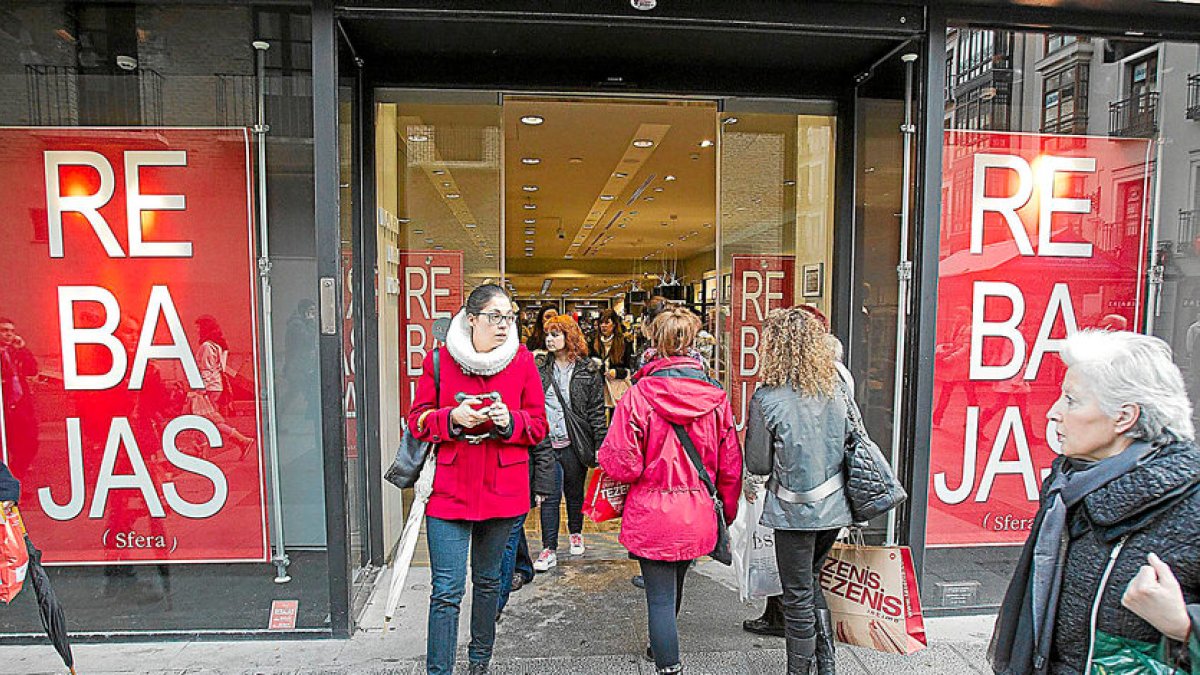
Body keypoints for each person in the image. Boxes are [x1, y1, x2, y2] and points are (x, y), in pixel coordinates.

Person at [989, 330, 1200, 675]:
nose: (1053, 413)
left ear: (1124, 417)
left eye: (1072, 400)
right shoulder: (1068, 486)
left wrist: (1184, 625)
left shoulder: (1189, 504)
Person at [407, 284, 550, 675]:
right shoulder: (439, 360)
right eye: (495, 317)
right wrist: (452, 419)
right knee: (447, 591)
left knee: (488, 583)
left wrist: (509, 421)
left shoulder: (522, 362)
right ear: (471, 319)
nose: (505, 325)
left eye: (510, 317)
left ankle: (479, 662)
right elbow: (417, 419)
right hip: (449, 492)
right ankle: (439, 670)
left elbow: (538, 425)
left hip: (503, 491)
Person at [599, 306, 743, 675]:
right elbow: (730, 465)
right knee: (676, 584)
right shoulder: (716, 397)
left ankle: (667, 662)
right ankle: (663, 647)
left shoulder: (637, 395)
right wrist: (725, 512)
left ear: (653, 342)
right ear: (694, 343)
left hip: (651, 510)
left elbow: (623, 464)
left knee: (658, 598)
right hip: (697, 509)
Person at [744, 307, 854, 675]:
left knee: (796, 596)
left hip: (793, 509)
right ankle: (826, 664)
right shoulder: (836, 388)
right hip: (836, 506)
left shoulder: (766, 396)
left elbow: (758, 463)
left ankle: (800, 670)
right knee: (810, 582)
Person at [532, 314, 606, 571]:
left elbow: (596, 410)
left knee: (574, 493)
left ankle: (576, 532)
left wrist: (600, 444)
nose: (549, 339)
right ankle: (548, 548)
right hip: (547, 442)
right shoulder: (540, 368)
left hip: (576, 442)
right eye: (548, 334)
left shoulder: (589, 370)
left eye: (556, 334)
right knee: (549, 496)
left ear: (569, 336)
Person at [192, 315, 253, 456]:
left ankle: (242, 440)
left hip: (208, 386)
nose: (197, 331)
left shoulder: (207, 346)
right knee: (205, 418)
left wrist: (200, 388)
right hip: (216, 385)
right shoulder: (219, 346)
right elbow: (222, 368)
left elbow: (206, 368)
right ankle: (201, 450)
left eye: (199, 328)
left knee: (205, 418)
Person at [0, 317, 39, 478]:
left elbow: (31, 369)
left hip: (19, 406)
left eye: (11, 331)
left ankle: (15, 476)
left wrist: (23, 349)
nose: (9, 335)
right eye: (4, 331)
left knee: (29, 443)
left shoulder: (14, 351)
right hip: (4, 405)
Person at [590, 308, 635, 417]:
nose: (603, 326)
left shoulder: (624, 343)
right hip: (599, 389)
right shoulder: (593, 342)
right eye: (601, 323)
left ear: (614, 324)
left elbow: (630, 369)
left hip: (617, 390)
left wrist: (616, 372)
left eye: (607, 322)